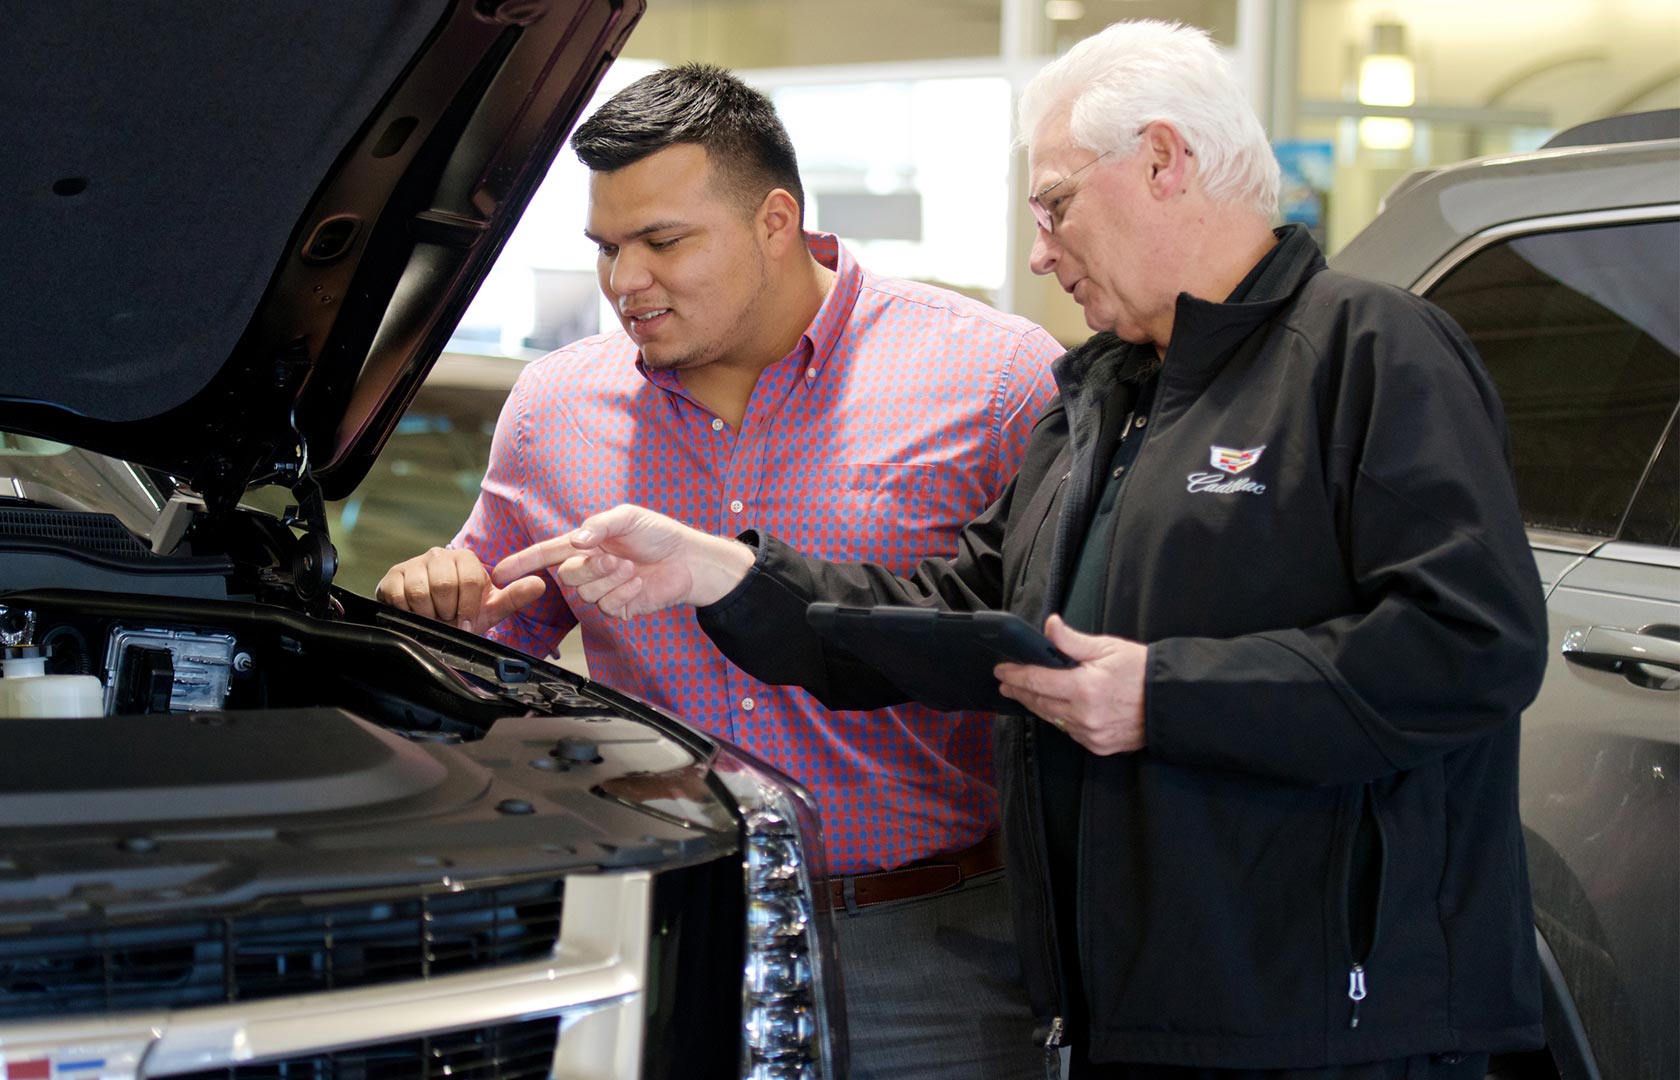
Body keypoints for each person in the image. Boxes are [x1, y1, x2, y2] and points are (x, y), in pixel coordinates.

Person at [491, 22, 1551, 1080]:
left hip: (1339, 1023)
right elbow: (960, 609)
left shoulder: (1366, 349)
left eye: (1054, 206)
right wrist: (723, 575)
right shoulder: (1103, 398)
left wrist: (1164, 696)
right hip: (1139, 1006)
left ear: (1164, 160)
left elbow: (1474, 645)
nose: (1039, 249)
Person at [376, 64, 1062, 1078]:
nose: (624, 282)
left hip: (932, 952)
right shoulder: (556, 407)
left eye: (663, 241)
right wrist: (443, 604)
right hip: (660, 933)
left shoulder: (998, 379)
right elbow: (499, 634)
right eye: (607, 247)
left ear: (775, 220)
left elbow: (1051, 650)